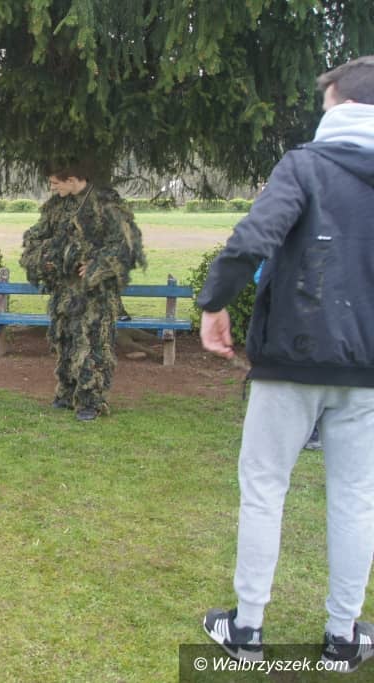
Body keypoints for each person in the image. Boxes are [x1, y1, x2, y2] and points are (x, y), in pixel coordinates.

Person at [198, 56, 374, 673]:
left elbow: (252, 239)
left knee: (264, 490)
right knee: (356, 499)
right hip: (365, 370)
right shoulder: (309, 164)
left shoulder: (304, 164)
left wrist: (214, 304)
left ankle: (247, 629)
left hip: (292, 358)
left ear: (339, 104)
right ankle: (342, 637)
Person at [19, 165, 145, 421]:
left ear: (72, 179)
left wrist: (97, 264)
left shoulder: (106, 205)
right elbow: (35, 237)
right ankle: (66, 393)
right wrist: (46, 258)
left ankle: (90, 401)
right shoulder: (57, 207)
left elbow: (125, 245)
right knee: (65, 340)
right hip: (65, 291)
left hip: (96, 293)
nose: (52, 188)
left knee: (93, 343)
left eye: (55, 183)